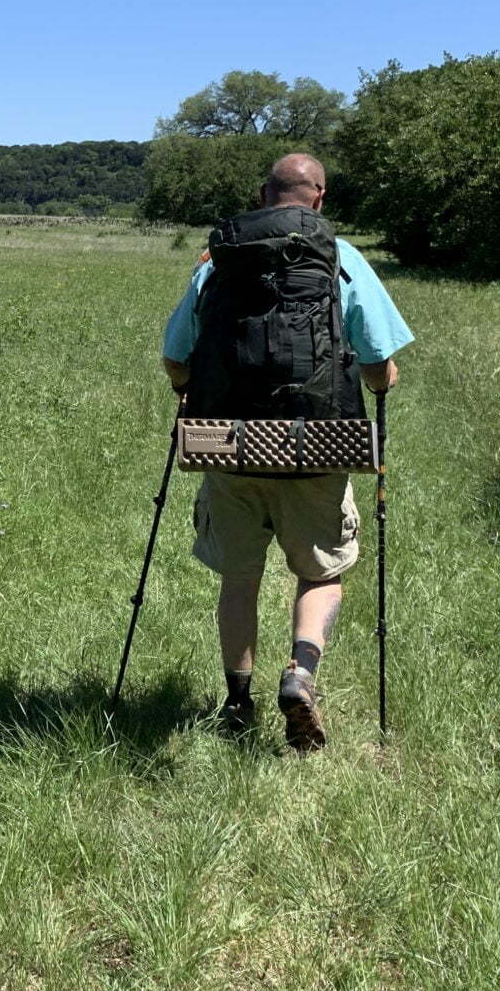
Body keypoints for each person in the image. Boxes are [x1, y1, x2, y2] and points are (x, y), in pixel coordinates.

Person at [159, 153, 413, 750]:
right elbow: (379, 364)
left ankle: (238, 702)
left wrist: (186, 392)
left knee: (240, 577)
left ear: (263, 194)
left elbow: (176, 357)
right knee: (323, 569)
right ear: (320, 198)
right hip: (319, 445)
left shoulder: (217, 264)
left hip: (230, 445)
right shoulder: (341, 259)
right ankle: (300, 674)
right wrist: (381, 385)